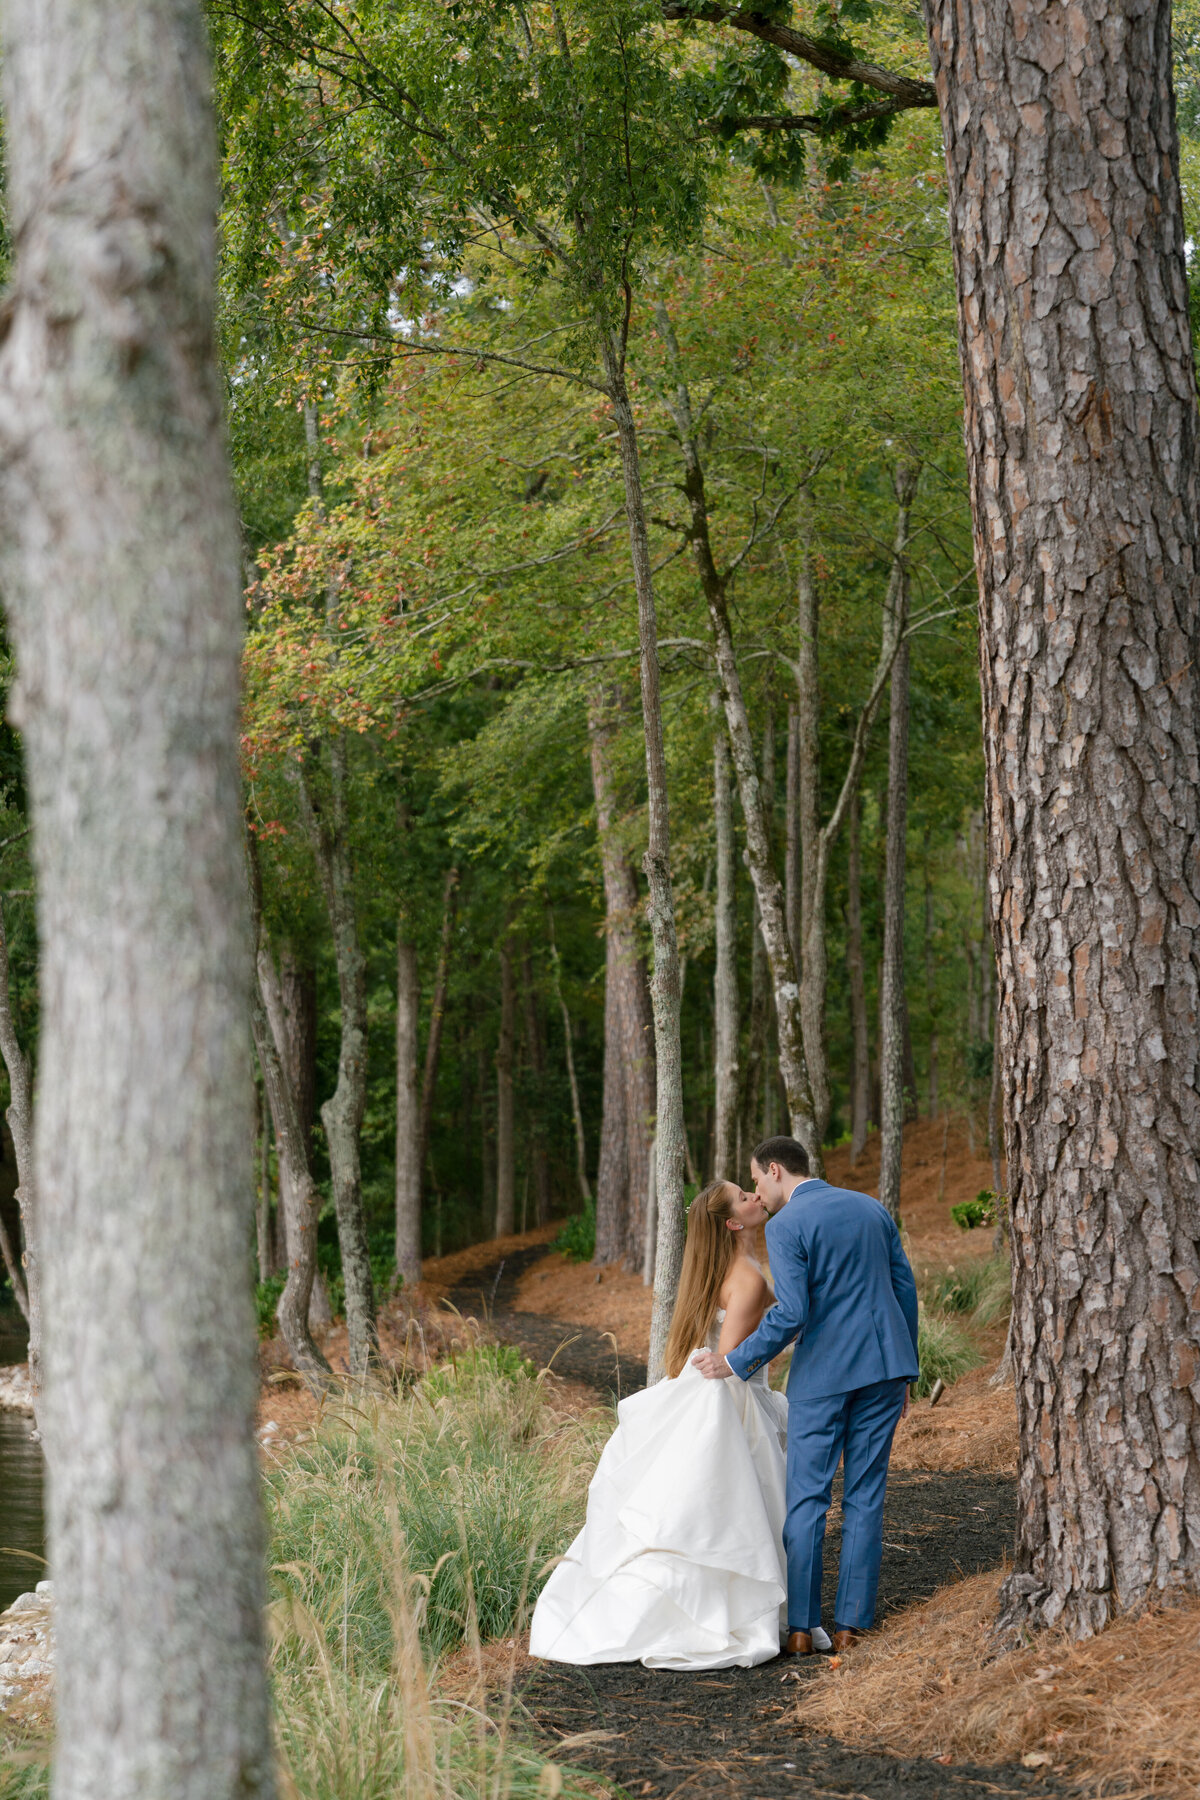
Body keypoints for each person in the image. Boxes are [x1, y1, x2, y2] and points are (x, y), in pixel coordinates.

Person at [529, 1178, 832, 1668]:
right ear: (733, 1222)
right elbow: (734, 1364)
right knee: (728, 1517)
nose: (756, 1196)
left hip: (736, 1395)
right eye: (744, 1197)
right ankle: (717, 1613)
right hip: (735, 1405)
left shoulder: (731, 1269)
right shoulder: (749, 1278)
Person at [693, 1136, 919, 1655]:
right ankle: (851, 1627)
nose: (756, 1191)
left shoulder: (789, 1223)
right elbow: (903, 1289)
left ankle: (799, 1627)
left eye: (755, 1179)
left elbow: (792, 1313)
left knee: (808, 1499)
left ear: (776, 1170)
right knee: (865, 1495)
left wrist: (733, 1361)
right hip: (885, 1369)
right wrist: (907, 1371)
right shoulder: (871, 1208)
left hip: (823, 1377)